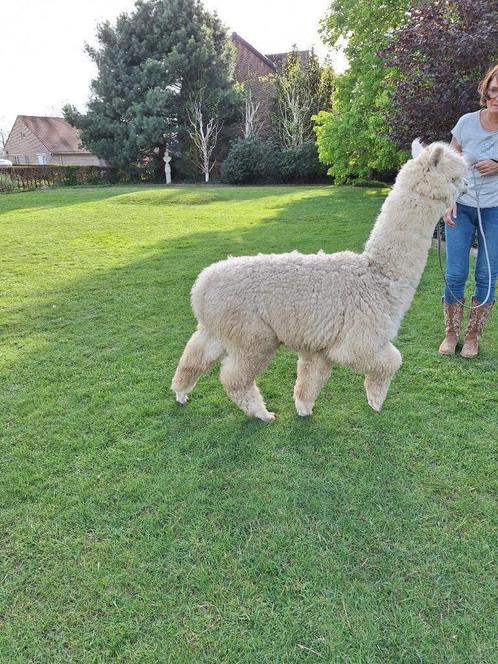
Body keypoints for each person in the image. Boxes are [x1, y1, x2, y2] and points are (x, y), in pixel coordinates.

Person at [439, 63, 498, 358]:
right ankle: (451, 333)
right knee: (455, 274)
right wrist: (448, 200)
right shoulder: (466, 123)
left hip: (495, 212)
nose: (497, 97)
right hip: (462, 206)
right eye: (493, 90)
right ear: (485, 92)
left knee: (487, 275)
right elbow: (450, 165)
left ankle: (473, 335)